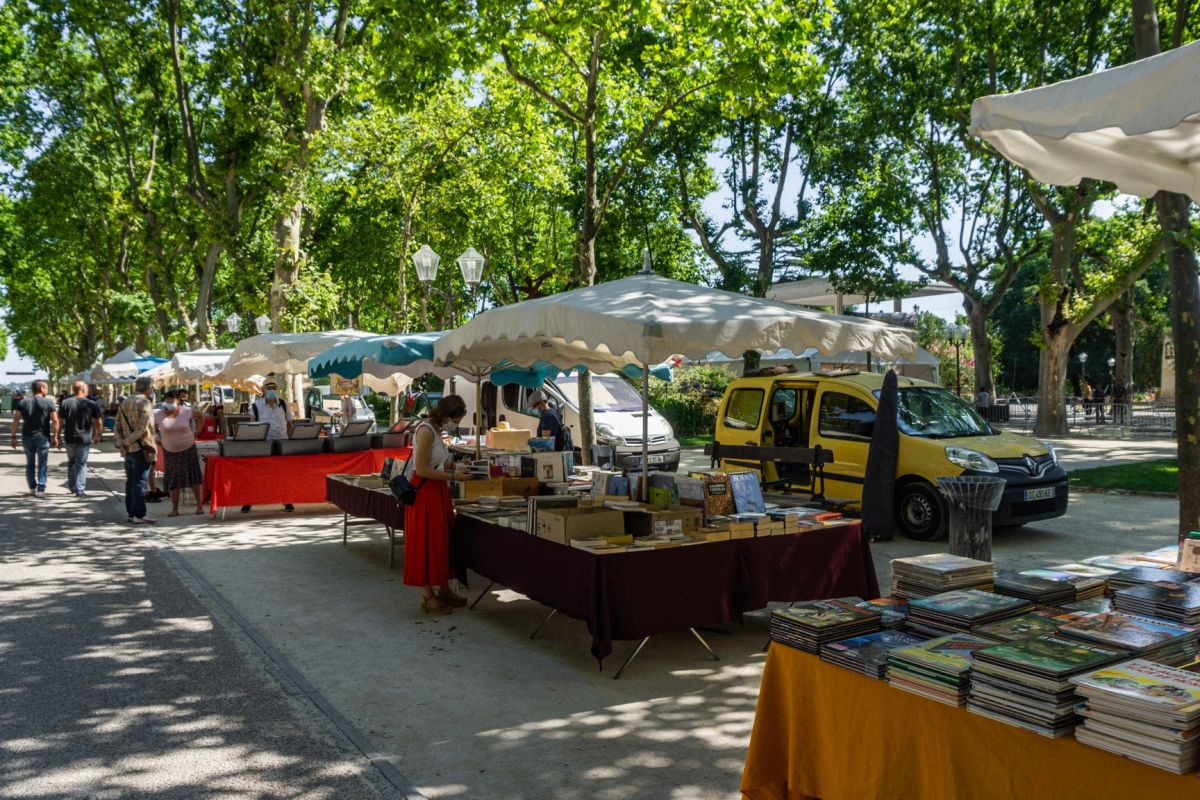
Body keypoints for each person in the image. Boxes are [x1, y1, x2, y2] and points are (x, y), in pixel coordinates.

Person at [403, 395, 472, 614]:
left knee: (442, 539)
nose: (457, 424)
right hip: (425, 492)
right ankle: (427, 594)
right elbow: (421, 469)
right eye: (457, 420)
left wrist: (455, 467)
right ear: (447, 415)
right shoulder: (425, 431)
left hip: (437, 490)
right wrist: (453, 477)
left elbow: (437, 461)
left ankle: (443, 588)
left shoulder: (435, 429)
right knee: (427, 541)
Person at [242, 379, 294, 514]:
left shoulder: (283, 404)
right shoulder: (255, 406)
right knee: (257, 475)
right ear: (263, 390)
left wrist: (292, 440)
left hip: (282, 444)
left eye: (274, 387)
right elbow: (253, 427)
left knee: (283, 475)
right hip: (263, 446)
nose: (272, 390)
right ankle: (248, 502)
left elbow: (289, 424)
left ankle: (287, 501)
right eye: (269, 387)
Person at [154, 389, 205, 516]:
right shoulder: (159, 414)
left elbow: (200, 416)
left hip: (188, 448)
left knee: (193, 477)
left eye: (172, 402)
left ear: (178, 401)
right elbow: (151, 427)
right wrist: (156, 439)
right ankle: (175, 508)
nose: (170, 404)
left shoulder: (186, 411)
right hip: (170, 450)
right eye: (168, 401)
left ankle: (199, 506)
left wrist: (198, 431)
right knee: (173, 479)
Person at [114, 376, 158, 524]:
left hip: (129, 450)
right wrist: (125, 442)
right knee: (139, 482)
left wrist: (122, 443)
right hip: (141, 448)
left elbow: (117, 426)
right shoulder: (144, 402)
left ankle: (131, 513)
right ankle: (139, 514)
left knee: (131, 482)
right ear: (148, 388)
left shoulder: (124, 402)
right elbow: (142, 428)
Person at [10, 379, 59, 498]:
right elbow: (55, 421)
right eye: (46, 387)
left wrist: (13, 436)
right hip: (43, 437)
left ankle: (32, 488)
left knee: (30, 463)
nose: (47, 390)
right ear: (41, 388)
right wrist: (55, 436)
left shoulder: (22, 403)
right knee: (43, 464)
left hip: (27, 437)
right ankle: (41, 489)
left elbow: (16, 420)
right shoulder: (49, 403)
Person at [59, 380, 103, 497]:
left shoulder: (65, 403)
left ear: (73, 390)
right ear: (83, 390)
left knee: (72, 462)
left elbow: (59, 421)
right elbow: (98, 421)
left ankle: (73, 486)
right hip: (84, 438)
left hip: (69, 437)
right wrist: (98, 434)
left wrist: (56, 435)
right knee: (82, 463)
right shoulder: (91, 404)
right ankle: (80, 489)